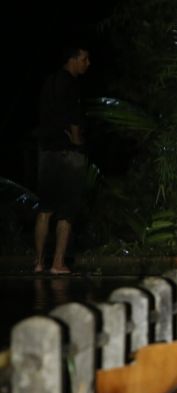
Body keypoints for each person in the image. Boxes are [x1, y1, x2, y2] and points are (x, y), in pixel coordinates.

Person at [33, 46, 91, 274]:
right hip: (67, 153)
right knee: (67, 211)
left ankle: (38, 262)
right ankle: (57, 263)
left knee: (45, 209)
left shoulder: (49, 82)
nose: (88, 63)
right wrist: (77, 142)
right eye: (85, 59)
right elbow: (73, 117)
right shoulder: (71, 84)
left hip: (47, 151)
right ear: (73, 59)